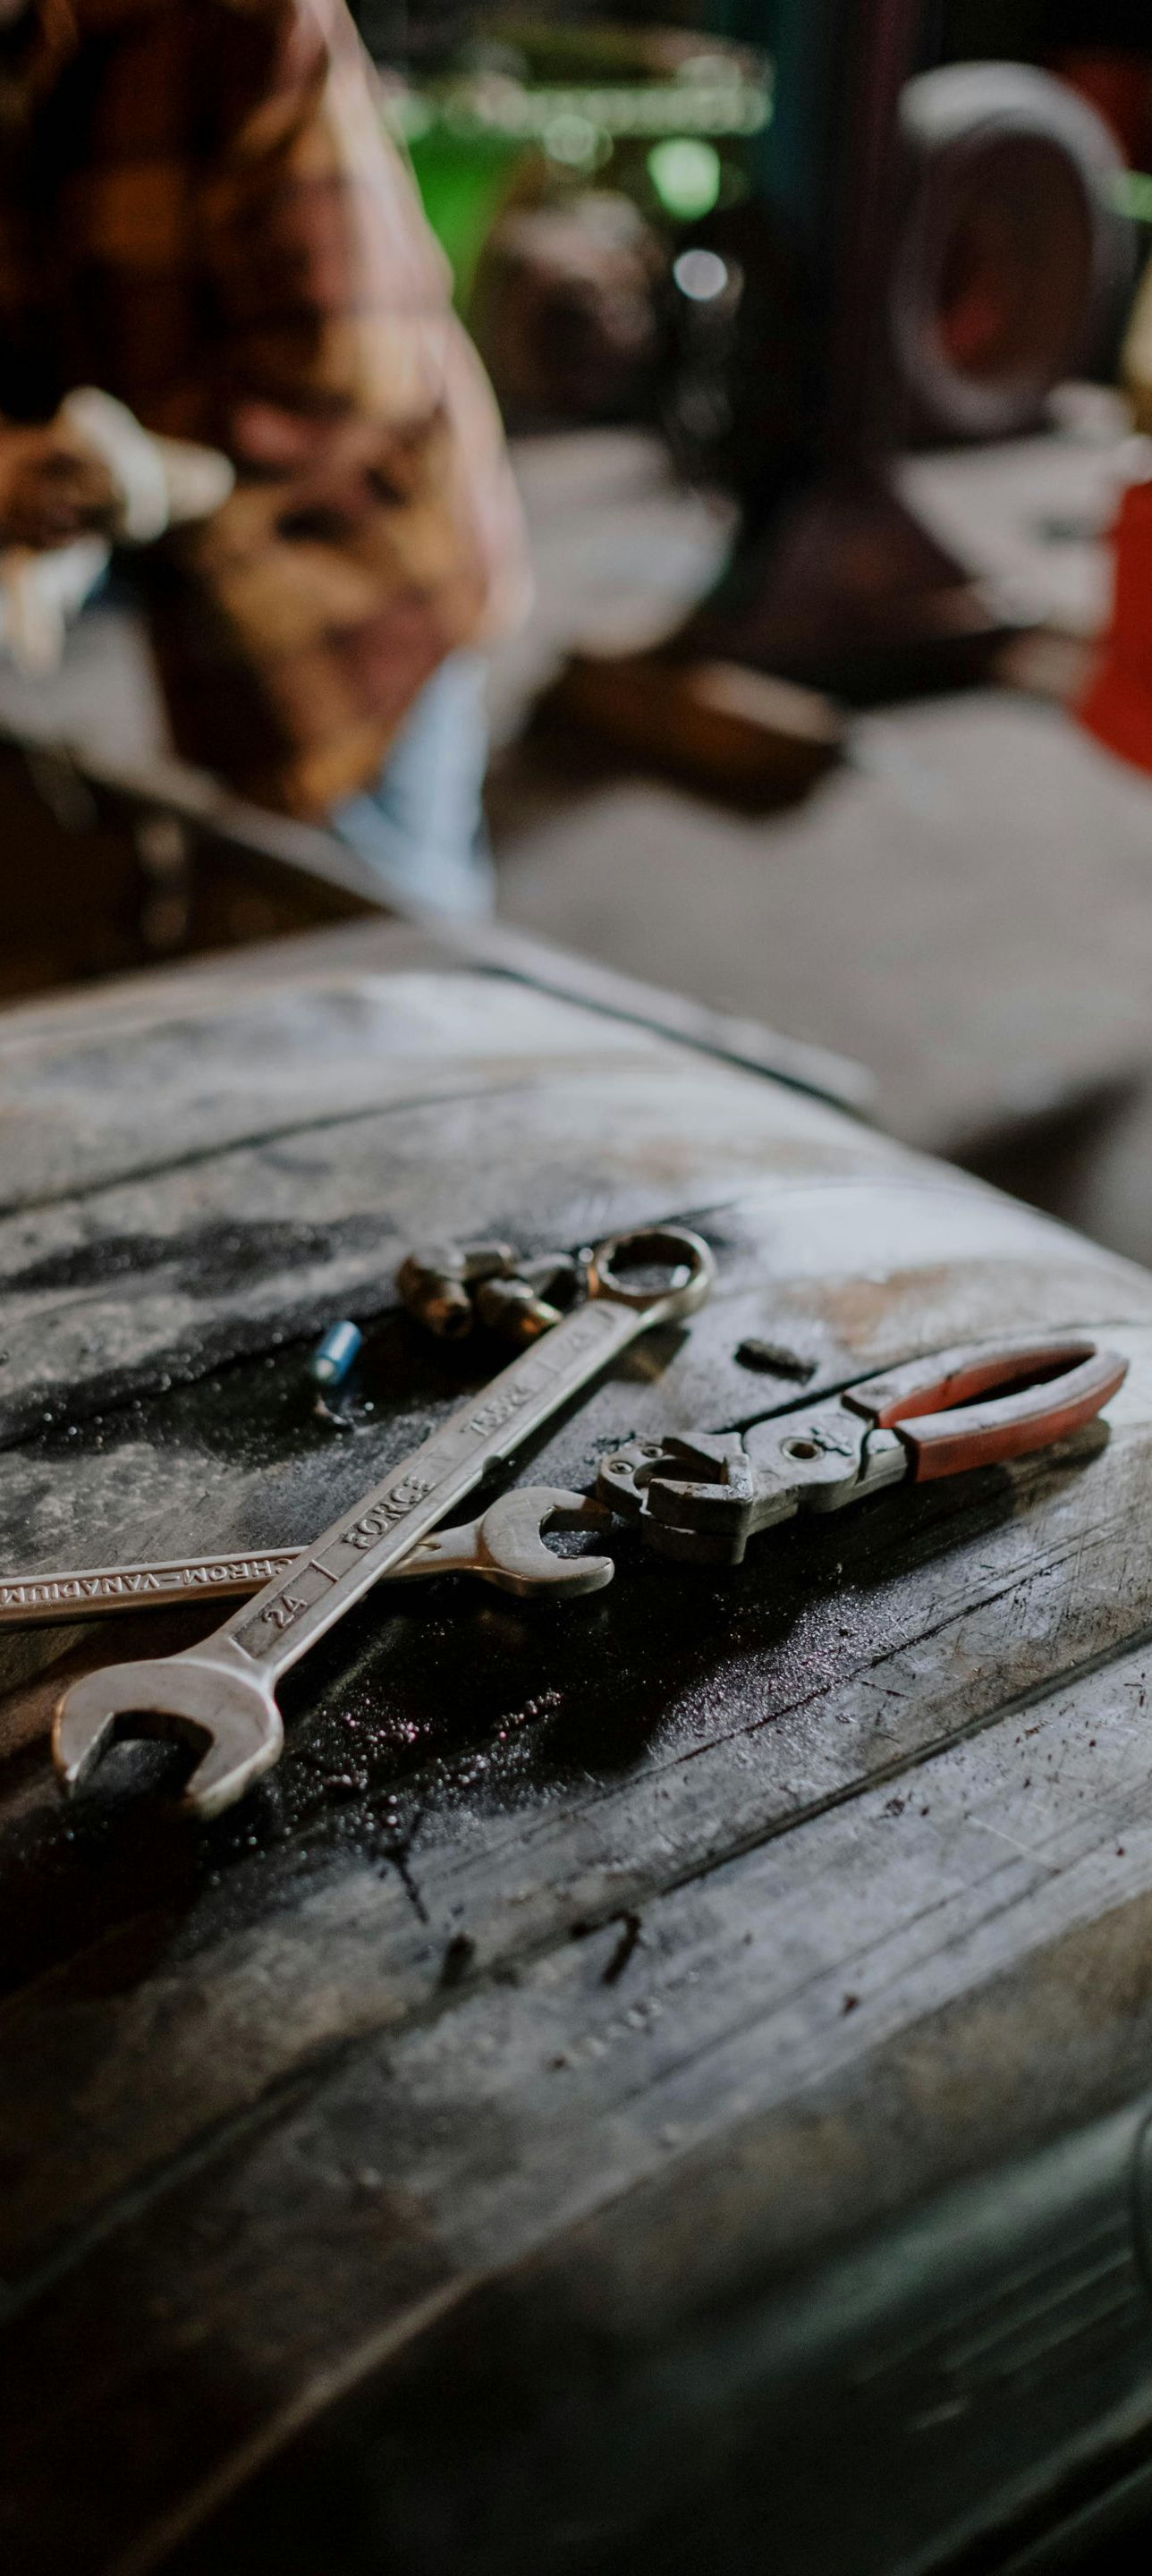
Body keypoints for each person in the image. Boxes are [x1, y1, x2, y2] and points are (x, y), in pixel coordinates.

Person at [0, 0, 529, 917]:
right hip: (196, 589)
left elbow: (348, 375)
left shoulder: (241, 24)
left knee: (380, 939)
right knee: (248, 894)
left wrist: (99, 474)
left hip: (352, 578)